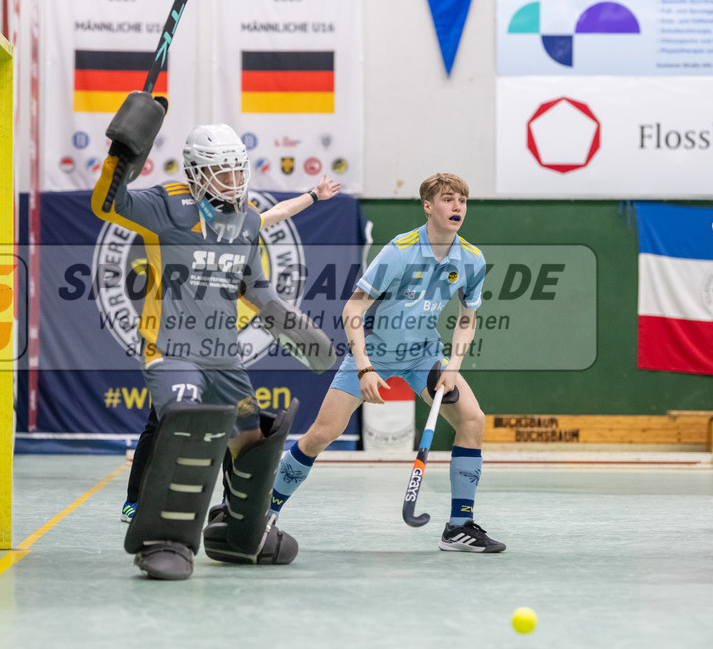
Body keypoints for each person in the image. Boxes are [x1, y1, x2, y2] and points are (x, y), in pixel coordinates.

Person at [91, 90, 337, 579]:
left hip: (223, 356)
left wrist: (295, 329)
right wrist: (125, 150)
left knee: (252, 437)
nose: (234, 181)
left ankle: (239, 534)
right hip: (171, 349)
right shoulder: (165, 206)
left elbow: (256, 290)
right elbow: (107, 203)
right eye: (223, 172)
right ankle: (165, 538)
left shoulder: (246, 220)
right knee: (188, 425)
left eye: (238, 169)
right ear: (197, 172)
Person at [268, 173, 506, 553]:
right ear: (428, 206)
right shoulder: (399, 251)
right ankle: (265, 510)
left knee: (472, 419)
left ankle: (459, 526)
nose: (457, 206)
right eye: (448, 199)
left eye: (462, 199)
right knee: (322, 434)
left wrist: (453, 365)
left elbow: (467, 316)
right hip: (374, 350)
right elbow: (353, 308)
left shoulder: (472, 259)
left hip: (424, 354)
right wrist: (364, 367)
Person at [119, 180, 341, 524]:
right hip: (175, 343)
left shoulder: (240, 234)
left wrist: (313, 196)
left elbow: (276, 214)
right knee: (161, 422)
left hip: (216, 348)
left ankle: (231, 503)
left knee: (231, 423)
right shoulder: (186, 236)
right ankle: (136, 501)